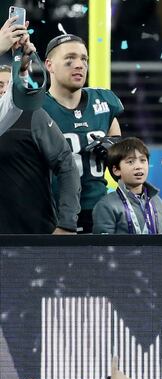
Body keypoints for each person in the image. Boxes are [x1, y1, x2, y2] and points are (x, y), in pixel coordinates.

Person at [0, 33, 81, 234]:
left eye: (6, 85)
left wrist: (66, 223)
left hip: (33, 234)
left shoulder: (33, 115)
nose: (3, 91)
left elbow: (66, 164)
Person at [43, 34, 124, 234]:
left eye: (84, 59)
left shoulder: (104, 103)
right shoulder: (37, 107)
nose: (79, 65)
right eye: (70, 59)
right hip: (52, 213)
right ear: (49, 65)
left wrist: (115, 151)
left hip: (98, 211)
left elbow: (121, 162)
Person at [92, 137, 162, 234]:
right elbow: (103, 247)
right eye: (130, 161)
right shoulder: (106, 205)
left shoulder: (158, 202)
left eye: (143, 160)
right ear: (116, 170)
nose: (138, 166)